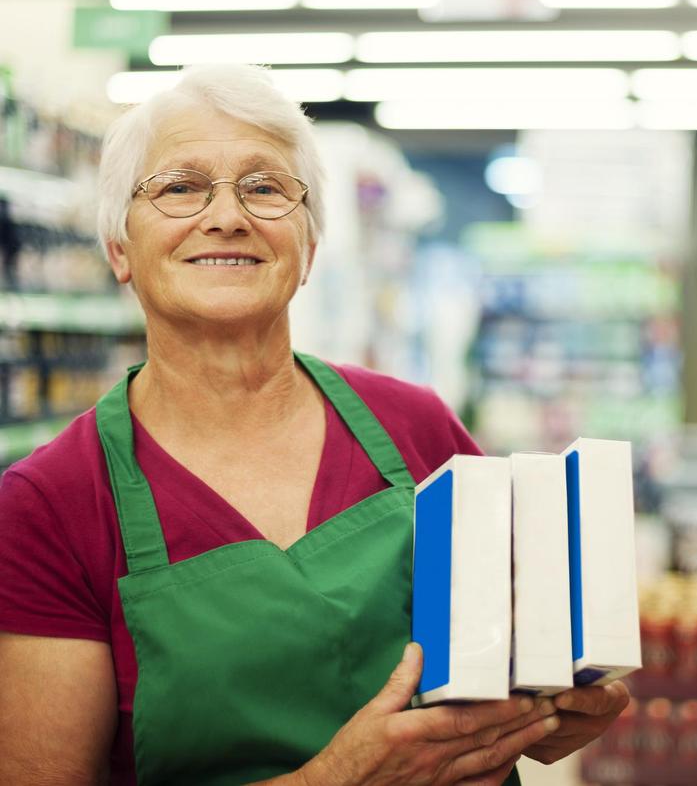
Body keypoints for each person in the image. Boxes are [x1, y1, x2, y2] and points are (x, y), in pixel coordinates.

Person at [0, 65, 629, 785]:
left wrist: (559, 707)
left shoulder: (417, 429)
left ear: (310, 245)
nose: (227, 216)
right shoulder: (52, 503)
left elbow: (528, 659)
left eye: (265, 188)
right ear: (119, 247)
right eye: (180, 187)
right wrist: (338, 778)